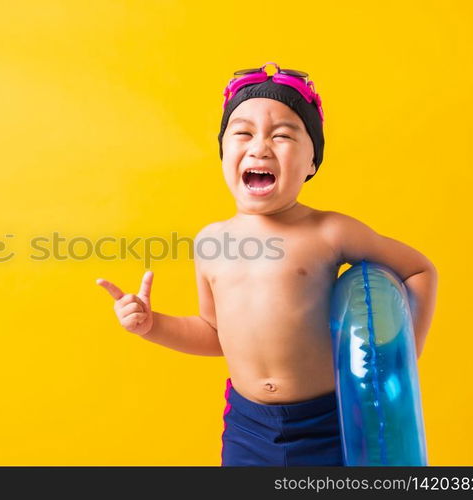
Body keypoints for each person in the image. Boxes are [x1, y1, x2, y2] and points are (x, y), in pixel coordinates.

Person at [96, 62, 438, 466]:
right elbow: (213, 333)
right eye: (242, 133)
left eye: (282, 135)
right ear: (224, 154)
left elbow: (419, 270)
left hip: (330, 423)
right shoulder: (211, 242)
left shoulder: (330, 232)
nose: (259, 146)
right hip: (248, 425)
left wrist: (398, 365)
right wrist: (153, 326)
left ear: (312, 162)